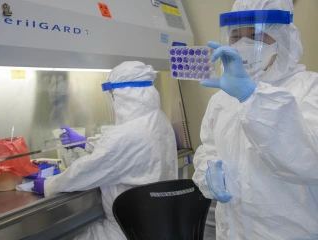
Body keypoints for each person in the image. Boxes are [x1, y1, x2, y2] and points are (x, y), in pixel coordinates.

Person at [193, 0, 318, 239]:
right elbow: (208, 149)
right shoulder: (221, 100)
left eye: (257, 35)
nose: (244, 44)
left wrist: (252, 97)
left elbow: (311, 160)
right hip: (231, 230)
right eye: (236, 35)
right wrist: (208, 172)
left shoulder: (309, 90)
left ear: (282, 37)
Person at [33, 61, 178, 239]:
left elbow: (86, 171)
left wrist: (50, 184)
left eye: (113, 95)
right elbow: (125, 152)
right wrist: (85, 142)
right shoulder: (159, 120)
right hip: (157, 225)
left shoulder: (125, 134)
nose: (113, 101)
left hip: (126, 230)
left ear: (126, 96)